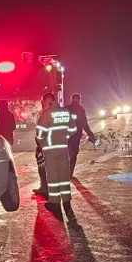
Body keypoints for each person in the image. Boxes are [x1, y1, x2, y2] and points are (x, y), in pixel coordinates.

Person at [34, 91, 77, 222]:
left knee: (52, 177)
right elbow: (73, 129)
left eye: (43, 103)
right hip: (63, 148)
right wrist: (63, 137)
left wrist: (44, 143)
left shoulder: (46, 114)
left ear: (47, 102)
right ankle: (67, 202)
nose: (43, 105)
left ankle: (55, 203)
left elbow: (40, 134)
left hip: (50, 150)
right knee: (64, 176)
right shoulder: (65, 112)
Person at [65, 93, 97, 177]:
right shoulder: (81, 110)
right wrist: (91, 135)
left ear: (71, 99)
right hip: (76, 135)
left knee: (65, 153)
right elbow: (84, 124)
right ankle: (70, 173)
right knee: (73, 154)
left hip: (64, 134)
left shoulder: (65, 108)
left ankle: (63, 171)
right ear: (79, 100)